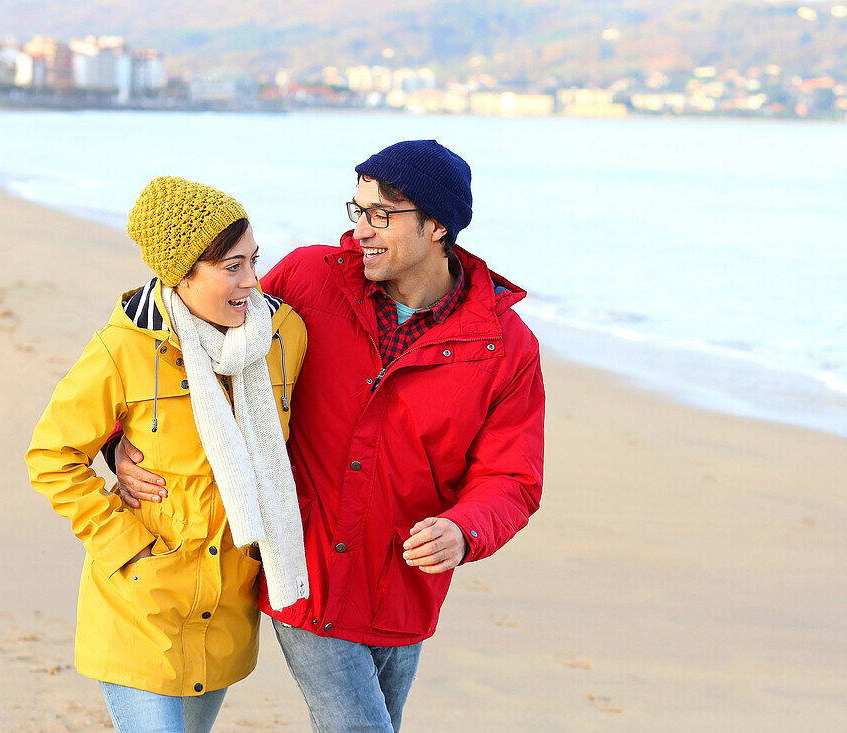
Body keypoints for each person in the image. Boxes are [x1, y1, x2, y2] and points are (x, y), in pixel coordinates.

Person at [113, 140, 545, 732]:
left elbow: (512, 478)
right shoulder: (312, 278)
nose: (362, 229)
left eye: (382, 215)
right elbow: (182, 331)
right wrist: (118, 441)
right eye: (358, 209)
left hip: (406, 588)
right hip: (304, 571)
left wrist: (464, 530)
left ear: (438, 225)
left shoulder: (503, 345)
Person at [26, 176, 309, 733]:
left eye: (254, 260)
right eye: (232, 267)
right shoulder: (124, 348)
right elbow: (51, 456)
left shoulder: (282, 336)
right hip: (140, 604)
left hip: (226, 606)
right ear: (182, 273)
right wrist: (126, 544)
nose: (252, 282)